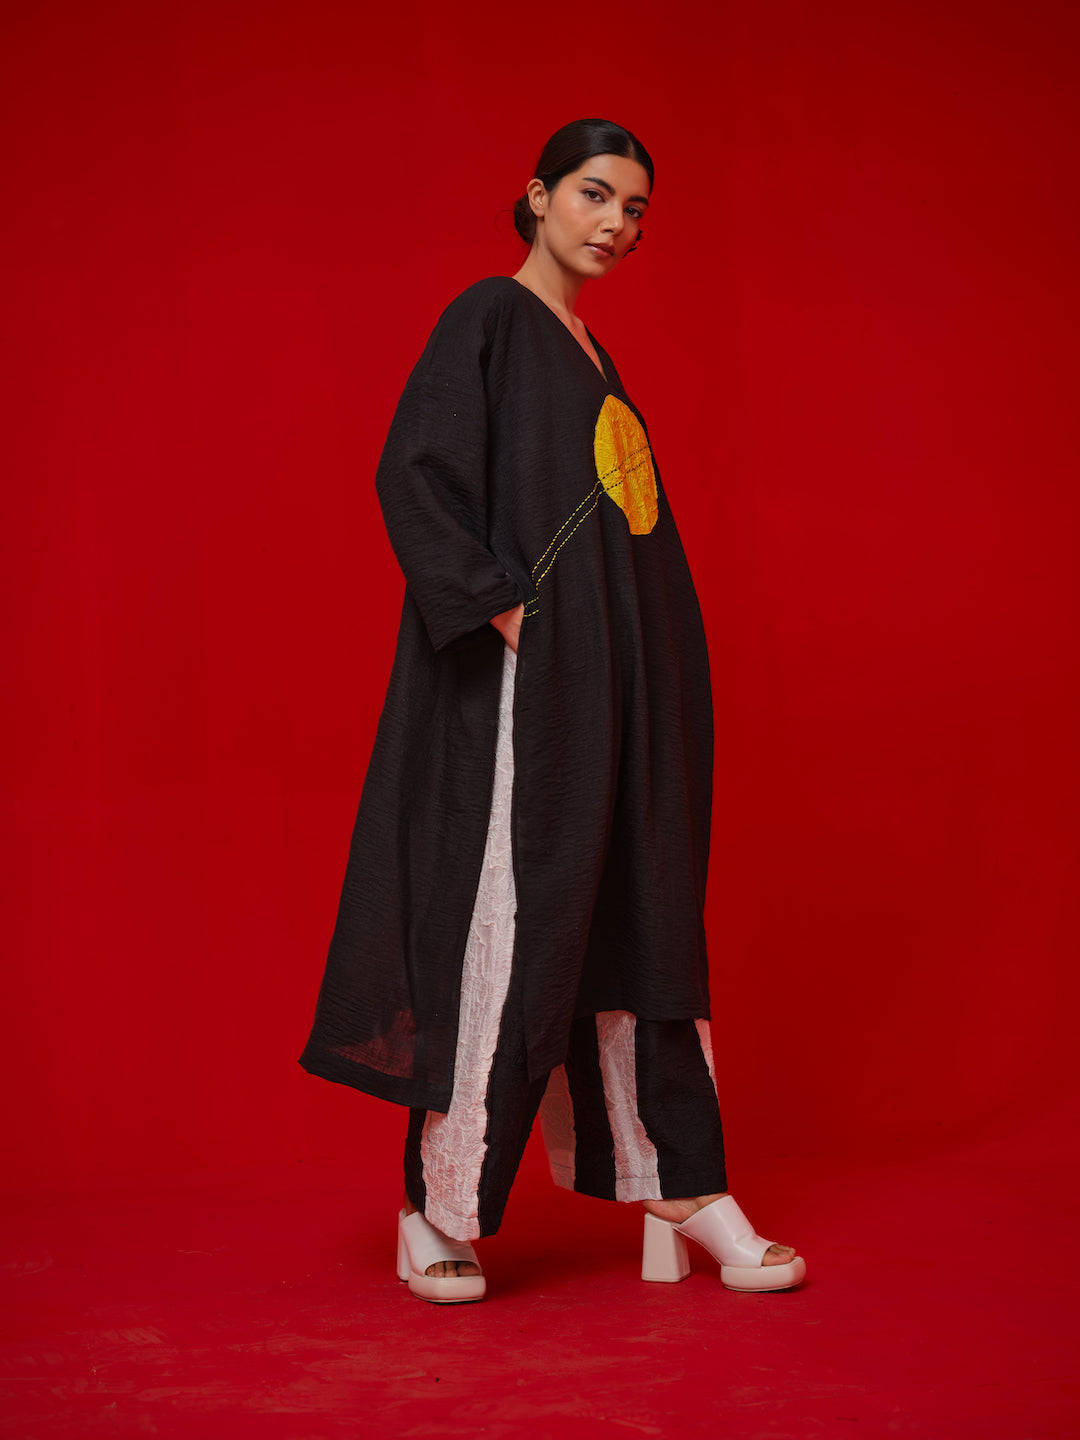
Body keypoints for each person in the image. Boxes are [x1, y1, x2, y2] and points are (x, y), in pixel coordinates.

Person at [300, 118, 806, 1303]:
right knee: (508, 919)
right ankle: (438, 1206)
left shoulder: (596, 358)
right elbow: (416, 470)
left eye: (635, 209)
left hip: (625, 691)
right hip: (533, 695)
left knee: (643, 910)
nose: (615, 223)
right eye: (594, 194)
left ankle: (677, 1181)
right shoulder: (490, 317)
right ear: (536, 196)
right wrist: (506, 614)